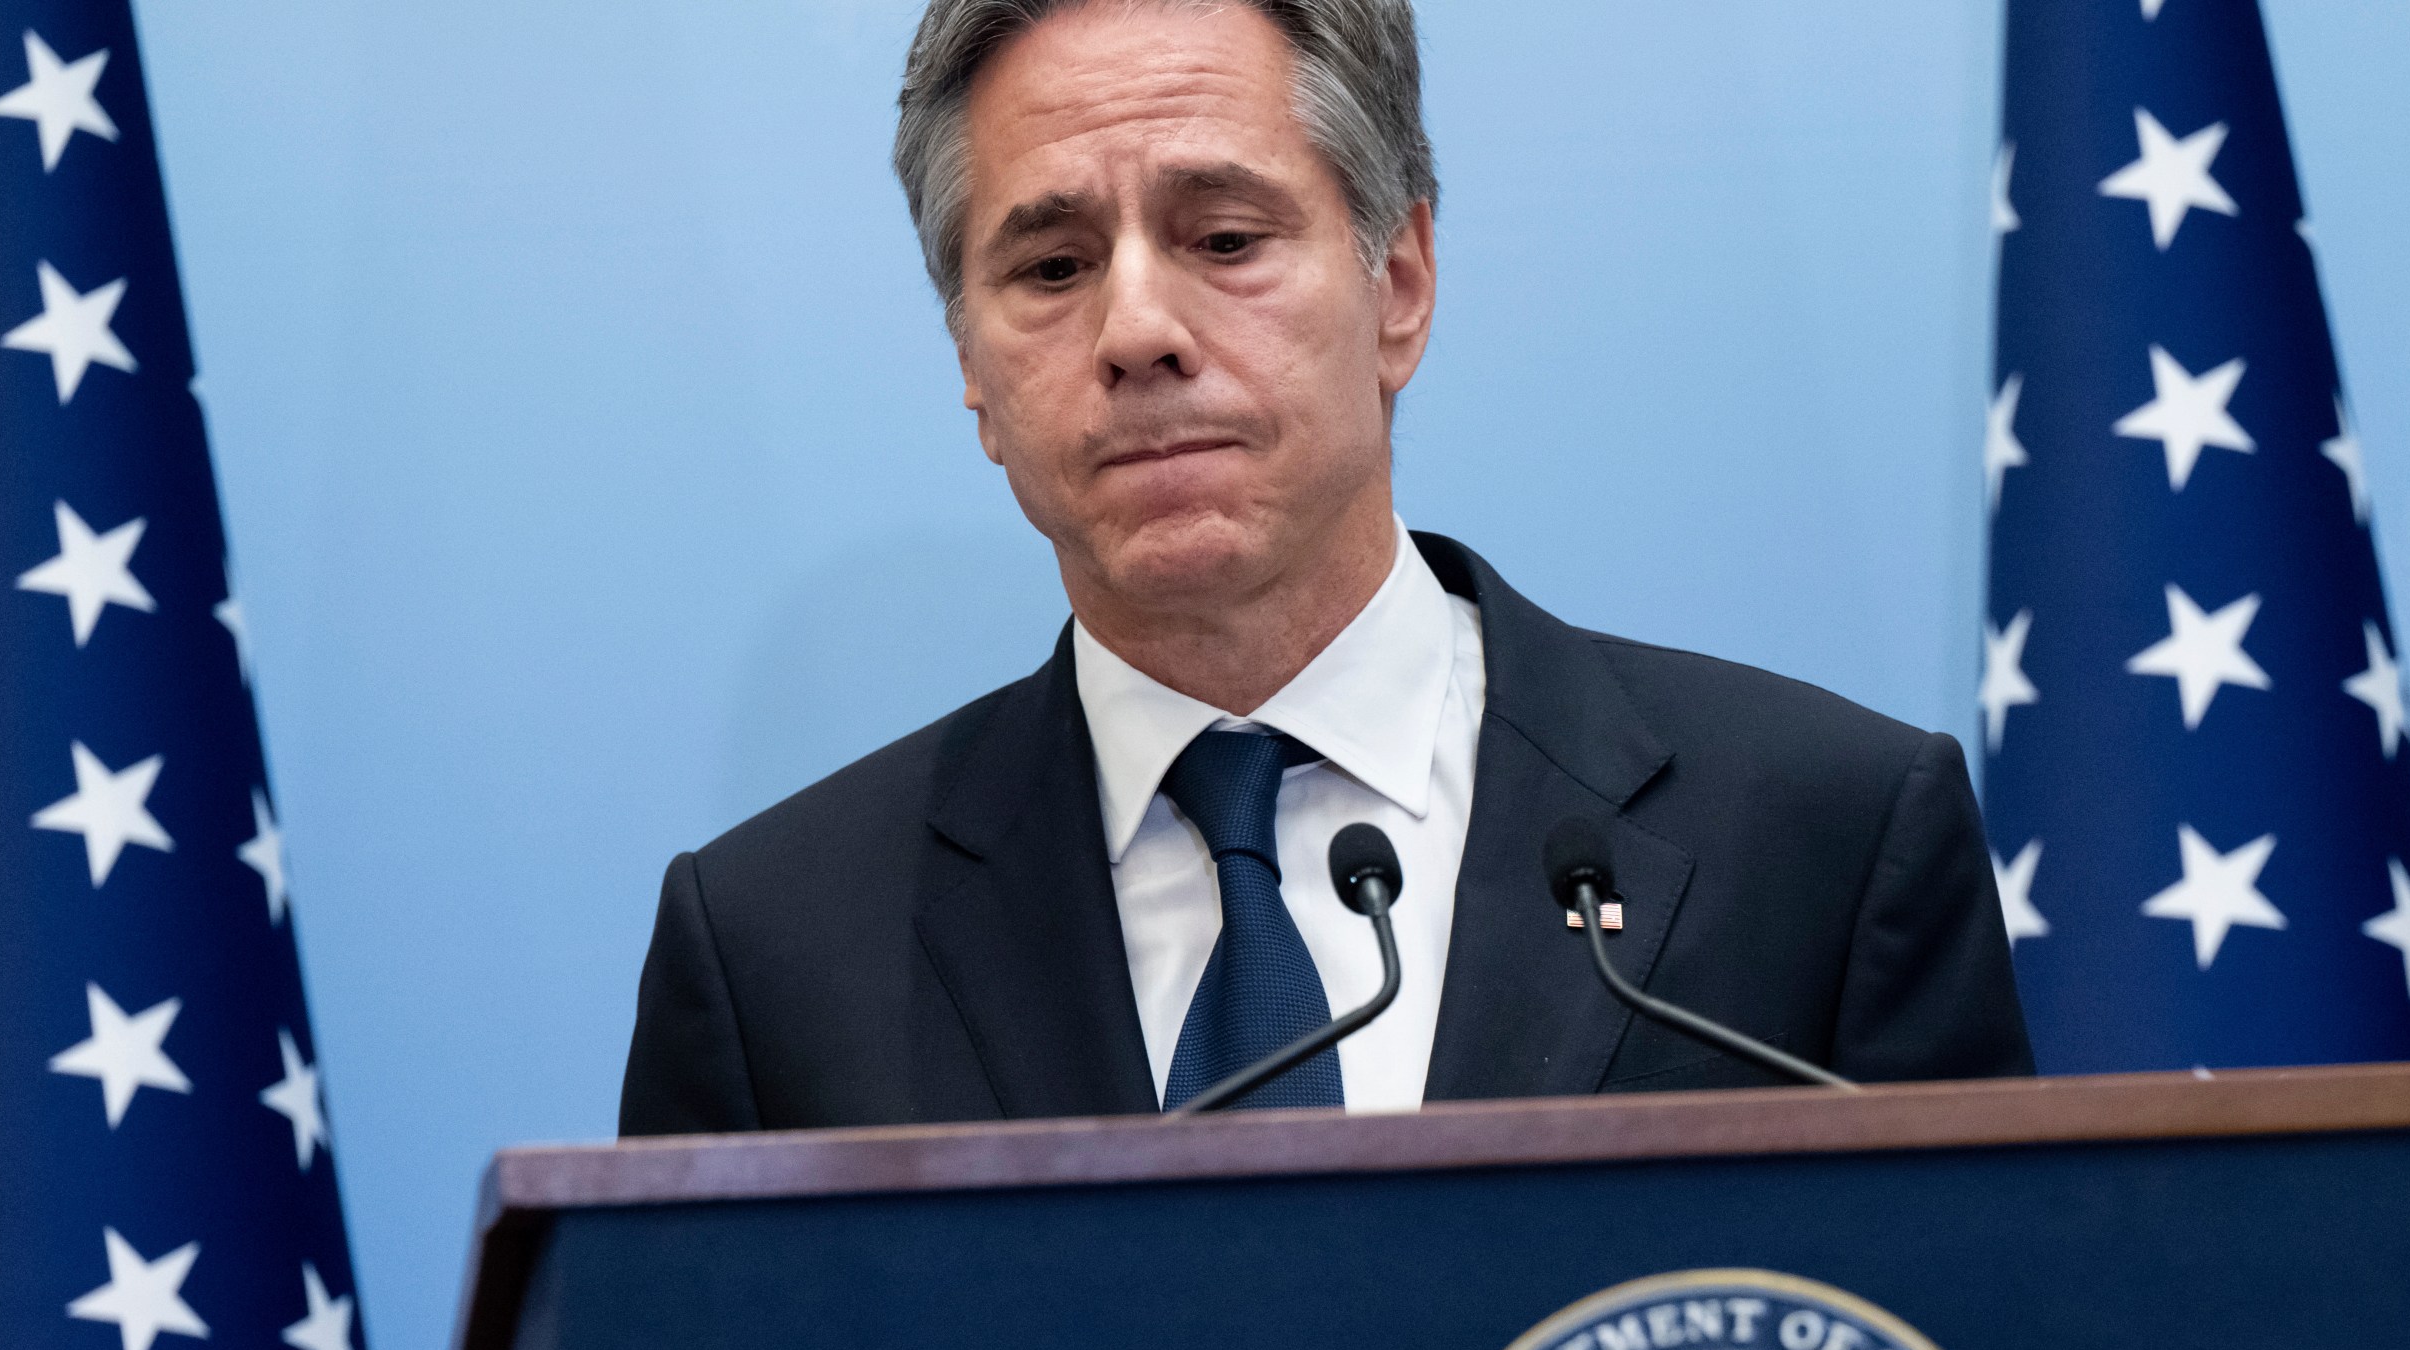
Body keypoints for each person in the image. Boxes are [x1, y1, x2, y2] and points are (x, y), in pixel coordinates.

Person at [618, 0, 2033, 1135]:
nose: (1136, 330)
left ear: (1399, 285)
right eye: (1049, 268)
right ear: (973, 372)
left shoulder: (1820, 845)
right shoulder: (775, 958)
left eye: (1223, 238)